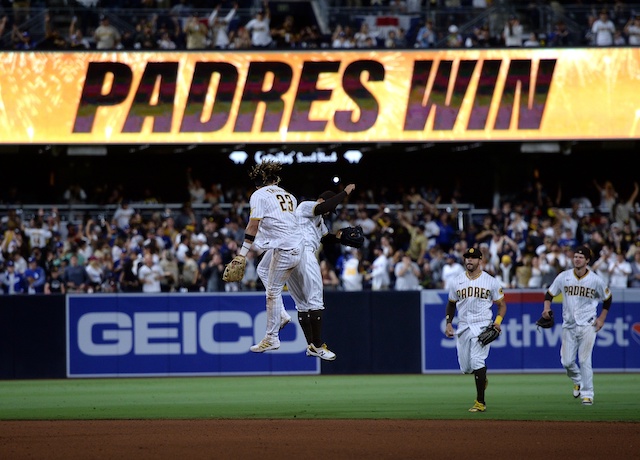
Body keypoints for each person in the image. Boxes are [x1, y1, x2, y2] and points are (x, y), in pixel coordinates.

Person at [230, 160, 303, 353]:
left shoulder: (258, 195)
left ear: (257, 182)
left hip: (286, 249)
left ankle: (271, 338)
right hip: (292, 245)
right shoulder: (289, 195)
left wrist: (241, 254)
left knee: (272, 292)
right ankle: (283, 315)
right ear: (274, 179)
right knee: (262, 269)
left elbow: (253, 226)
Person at [282, 184, 356, 360]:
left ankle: (312, 346)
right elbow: (324, 207)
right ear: (324, 199)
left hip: (291, 257)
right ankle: (317, 344)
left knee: (302, 303)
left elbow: (325, 238)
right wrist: (344, 193)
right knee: (315, 299)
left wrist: (339, 237)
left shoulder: (319, 222)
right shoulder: (306, 206)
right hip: (303, 252)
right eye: (332, 207)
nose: (331, 212)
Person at [540, 246, 612, 406]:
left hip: (588, 325)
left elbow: (607, 298)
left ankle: (587, 394)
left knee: (584, 359)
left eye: (581, 257)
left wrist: (602, 318)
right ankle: (577, 379)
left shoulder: (595, 280)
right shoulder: (564, 277)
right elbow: (549, 294)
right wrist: (546, 308)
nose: (577, 259)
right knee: (566, 362)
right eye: (576, 256)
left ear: (587, 260)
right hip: (569, 325)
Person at [444, 246, 508, 413]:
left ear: (481, 260)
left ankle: (480, 402)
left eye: (473, 258)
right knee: (466, 368)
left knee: (478, 361)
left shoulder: (490, 281)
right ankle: (482, 378)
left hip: (482, 324)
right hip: (463, 326)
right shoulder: (456, 281)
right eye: (467, 257)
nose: (469, 260)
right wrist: (449, 323)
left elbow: (502, 305)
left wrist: (498, 322)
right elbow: (451, 304)